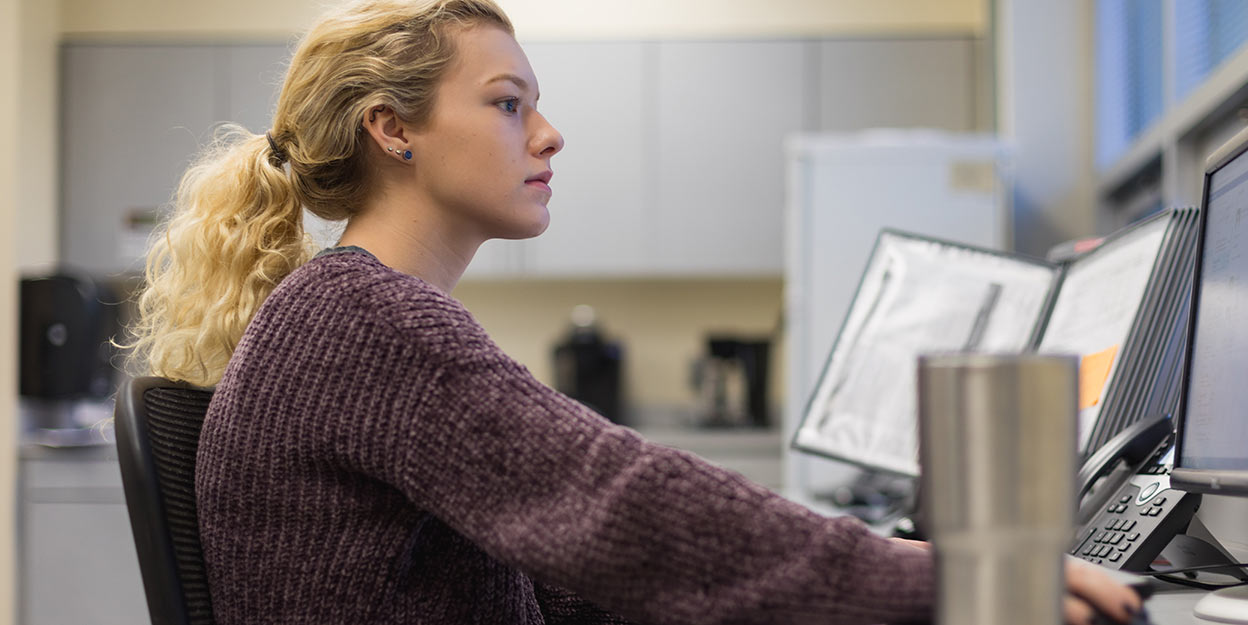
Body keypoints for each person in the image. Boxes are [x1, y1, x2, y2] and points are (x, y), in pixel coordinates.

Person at [125, 0, 1144, 623]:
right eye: (509, 102)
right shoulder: (365, 321)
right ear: (394, 129)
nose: (551, 133)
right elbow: (616, 500)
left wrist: (872, 575)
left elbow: (559, 568)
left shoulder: (348, 314)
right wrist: (926, 583)